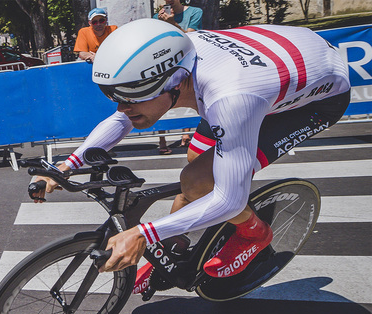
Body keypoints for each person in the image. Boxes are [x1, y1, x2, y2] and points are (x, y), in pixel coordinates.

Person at [34, 19, 350, 290]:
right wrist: (65, 166)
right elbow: (122, 119)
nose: (122, 107)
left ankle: (256, 233)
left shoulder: (230, 99)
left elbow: (230, 200)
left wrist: (144, 233)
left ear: (173, 84)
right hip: (274, 64)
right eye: (115, 96)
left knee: (199, 182)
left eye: (131, 97)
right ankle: (180, 243)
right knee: (195, 167)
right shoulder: (178, 51)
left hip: (313, 99)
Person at [154, 0, 204, 154]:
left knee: (187, 98)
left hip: (188, 63)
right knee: (161, 100)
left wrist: (172, 23)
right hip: (167, 65)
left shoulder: (195, 12)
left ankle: (186, 134)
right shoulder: (158, 16)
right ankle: (162, 140)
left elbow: (191, 38)